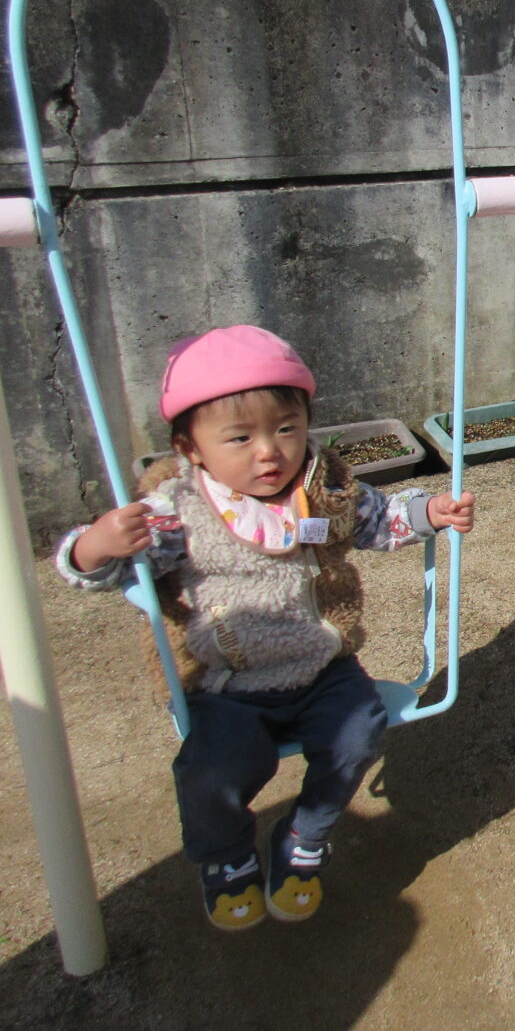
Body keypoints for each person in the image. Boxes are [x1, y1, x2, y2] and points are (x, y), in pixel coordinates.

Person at [56, 326, 476, 931]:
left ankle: (305, 834)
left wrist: (428, 512)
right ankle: (226, 857)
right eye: (240, 437)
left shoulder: (323, 488)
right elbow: (107, 570)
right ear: (190, 447)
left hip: (322, 666)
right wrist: (95, 546)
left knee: (359, 735)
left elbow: (376, 519)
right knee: (213, 774)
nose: (269, 452)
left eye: (286, 428)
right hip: (227, 684)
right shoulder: (178, 510)